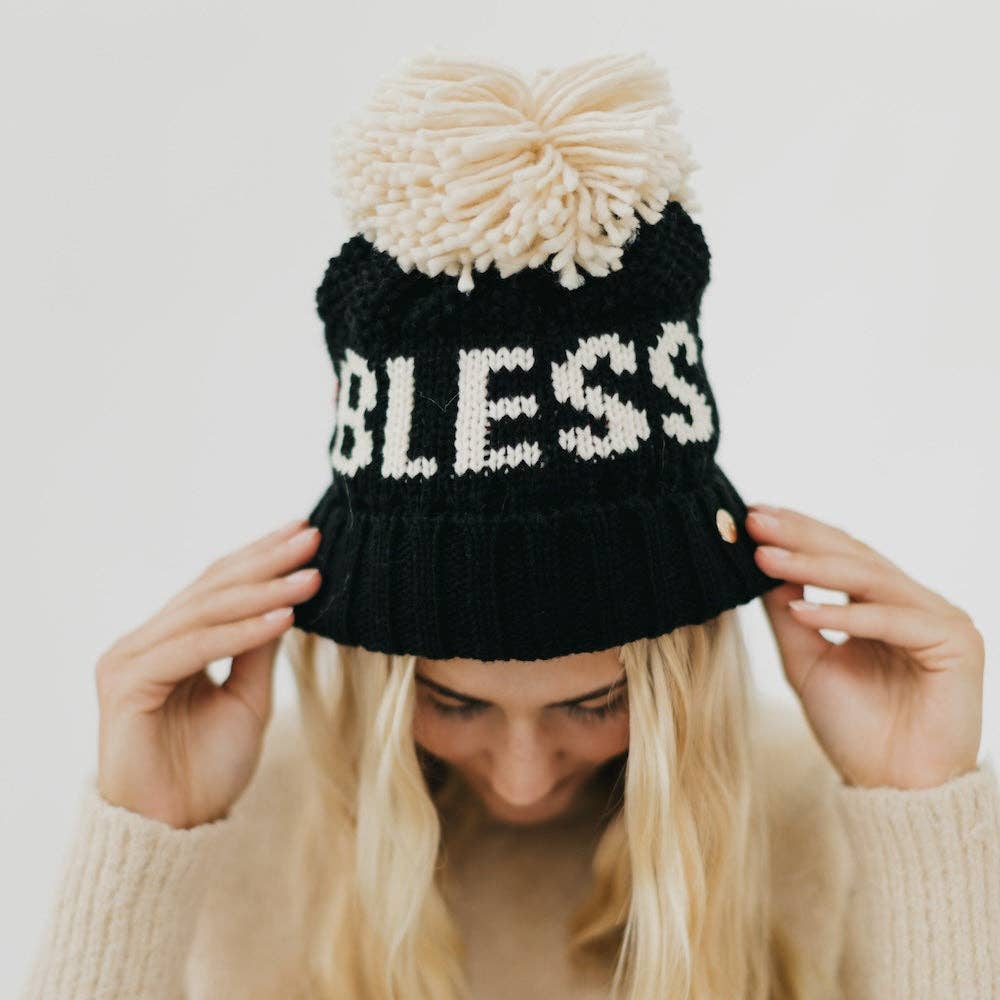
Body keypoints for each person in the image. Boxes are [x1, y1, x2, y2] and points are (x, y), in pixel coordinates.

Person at [21, 51, 999, 1000]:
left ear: (680, 676)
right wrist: (147, 834)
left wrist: (920, 808)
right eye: (454, 703)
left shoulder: (817, 818)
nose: (524, 780)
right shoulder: (242, 828)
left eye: (593, 703)